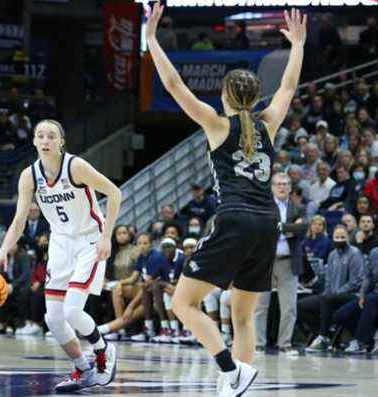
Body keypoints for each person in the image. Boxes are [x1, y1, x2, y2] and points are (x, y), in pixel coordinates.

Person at [145, 4, 306, 395]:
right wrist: (298, 45)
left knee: (183, 304)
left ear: (225, 96)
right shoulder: (269, 123)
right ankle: (239, 385)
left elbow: (174, 85)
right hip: (269, 222)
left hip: (234, 218)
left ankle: (229, 369)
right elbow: (287, 88)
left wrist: (151, 39)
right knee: (243, 317)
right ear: (253, 97)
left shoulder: (217, 124)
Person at [0, 119, 122, 392]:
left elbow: (115, 193)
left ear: (61, 142)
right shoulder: (30, 175)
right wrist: (3, 249)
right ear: (34, 141)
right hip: (60, 244)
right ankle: (83, 368)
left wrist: (107, 237)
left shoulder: (76, 167)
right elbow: (19, 219)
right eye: (40, 136)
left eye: (51, 136)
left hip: (89, 241)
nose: (45, 140)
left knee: (72, 310)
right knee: (54, 319)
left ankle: (103, 349)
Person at [253, 173, 307, 356]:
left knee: (289, 307)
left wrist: (282, 227)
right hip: (265, 261)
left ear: (290, 187)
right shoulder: (264, 207)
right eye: (278, 184)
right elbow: (263, 229)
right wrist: (290, 228)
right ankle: (258, 344)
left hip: (288, 261)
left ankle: (285, 344)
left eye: (285, 184)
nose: (282, 187)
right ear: (272, 187)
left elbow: (303, 228)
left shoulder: (297, 207)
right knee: (260, 306)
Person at [298, 225, 364, 352]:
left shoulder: (355, 253)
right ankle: (324, 335)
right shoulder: (332, 255)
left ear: (348, 238)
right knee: (300, 305)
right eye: (337, 237)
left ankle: (322, 337)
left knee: (327, 299)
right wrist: (327, 293)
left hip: (351, 295)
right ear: (332, 238)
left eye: (342, 237)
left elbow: (355, 282)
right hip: (330, 296)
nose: (339, 239)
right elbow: (328, 280)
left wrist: (335, 294)